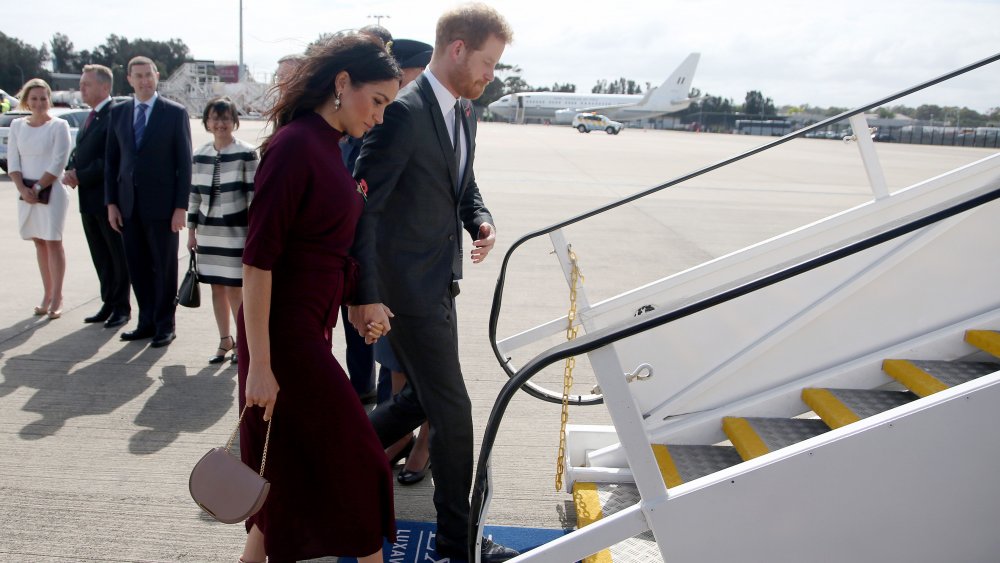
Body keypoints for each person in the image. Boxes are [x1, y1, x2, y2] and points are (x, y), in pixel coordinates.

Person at [349, 4, 518, 561]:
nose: (492, 73)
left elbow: (462, 184)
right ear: (457, 50)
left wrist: (481, 219)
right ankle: (458, 544)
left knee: (421, 398)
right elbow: (363, 208)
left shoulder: (465, 112)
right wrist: (366, 292)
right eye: (489, 62)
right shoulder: (403, 113)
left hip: (439, 281)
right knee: (453, 412)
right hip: (407, 291)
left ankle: (336, 459)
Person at [237, 32, 401, 563]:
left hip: (310, 330)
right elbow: (258, 262)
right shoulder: (295, 147)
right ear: (342, 82)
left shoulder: (328, 148)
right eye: (376, 102)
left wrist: (359, 299)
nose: (378, 118)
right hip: (282, 340)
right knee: (358, 463)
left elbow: (324, 248)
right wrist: (260, 365)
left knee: (286, 470)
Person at [364, 37, 436, 484]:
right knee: (391, 362)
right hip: (384, 262)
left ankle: (425, 441)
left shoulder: (430, 114)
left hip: (422, 268)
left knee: (427, 370)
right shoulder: (384, 116)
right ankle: (400, 434)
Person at [105, 56, 193, 348]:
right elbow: (112, 162)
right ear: (129, 79)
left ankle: (165, 324)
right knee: (138, 266)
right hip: (128, 206)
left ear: (157, 76)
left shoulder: (174, 113)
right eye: (138, 76)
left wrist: (181, 206)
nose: (144, 80)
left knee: (164, 267)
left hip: (164, 208)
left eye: (148, 75)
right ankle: (145, 322)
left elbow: (184, 164)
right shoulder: (118, 113)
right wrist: (112, 203)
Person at [186, 97, 258, 364]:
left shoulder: (247, 152)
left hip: (237, 230)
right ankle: (224, 340)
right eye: (215, 118)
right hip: (208, 229)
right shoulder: (200, 154)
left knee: (235, 289)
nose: (220, 123)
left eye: (225, 118)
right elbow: (194, 195)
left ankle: (243, 342)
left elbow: (254, 195)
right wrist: (191, 231)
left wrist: (254, 231)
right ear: (207, 122)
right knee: (216, 287)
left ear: (234, 121)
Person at [63, 64, 132, 329]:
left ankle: (121, 307)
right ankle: (108, 302)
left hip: (108, 198)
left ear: (105, 87)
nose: (81, 89)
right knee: (100, 254)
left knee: (116, 255)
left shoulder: (115, 114)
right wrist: (72, 169)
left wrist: (82, 174)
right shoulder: (91, 116)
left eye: (86, 84)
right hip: (88, 198)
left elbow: (111, 159)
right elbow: (83, 151)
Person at [7, 78, 72, 319]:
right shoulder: (17, 126)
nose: (39, 103)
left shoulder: (59, 126)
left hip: (51, 190)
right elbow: (13, 161)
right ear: (26, 101)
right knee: (38, 241)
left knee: (53, 240)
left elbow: (59, 161)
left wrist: (38, 186)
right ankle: (46, 294)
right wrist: (23, 189)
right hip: (25, 192)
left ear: (49, 99)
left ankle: (57, 296)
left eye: (43, 98)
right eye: (33, 99)